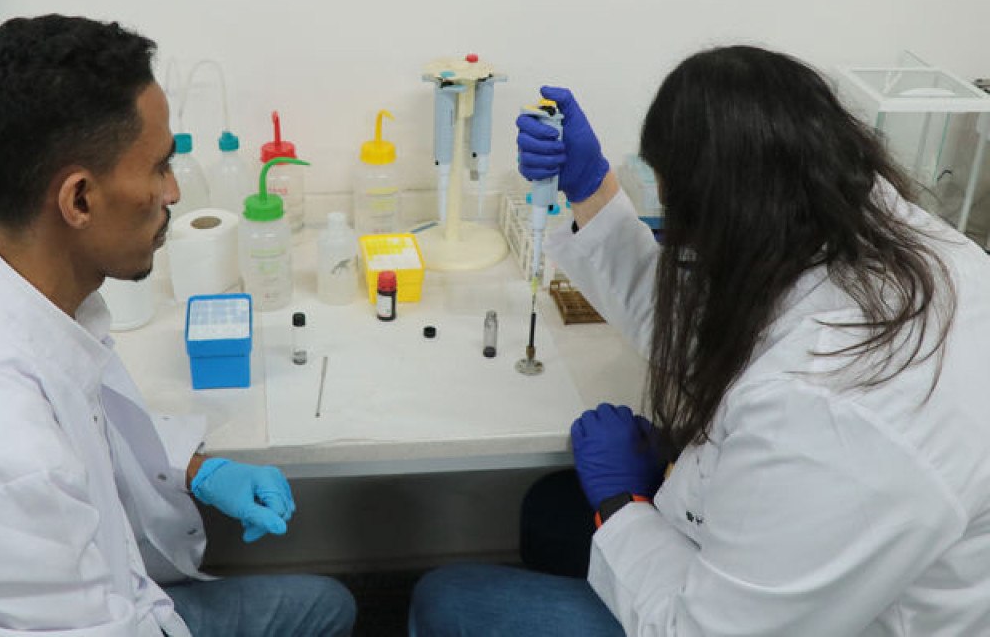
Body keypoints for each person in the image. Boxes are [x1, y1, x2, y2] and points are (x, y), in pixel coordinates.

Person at [410, 45, 990, 635]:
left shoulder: (831, 415)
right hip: (786, 547)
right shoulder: (865, 223)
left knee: (448, 601)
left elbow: (700, 630)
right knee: (549, 512)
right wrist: (591, 191)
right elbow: (716, 331)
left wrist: (621, 503)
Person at [0, 15, 356, 636]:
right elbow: (42, 463)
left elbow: (87, 422)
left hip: (116, 597)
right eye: (159, 167)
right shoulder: (4, 465)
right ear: (80, 200)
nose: (173, 192)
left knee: (327, 605)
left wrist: (194, 469)